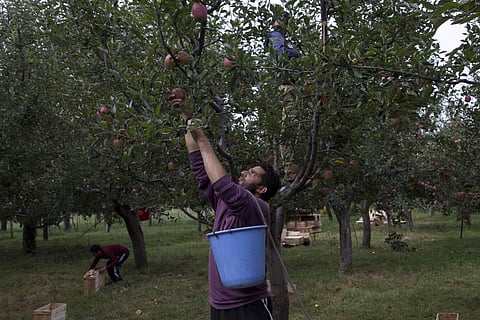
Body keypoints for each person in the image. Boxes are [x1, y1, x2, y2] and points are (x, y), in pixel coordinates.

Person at [171, 95, 282, 320]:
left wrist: (203, 139)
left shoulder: (257, 207)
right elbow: (200, 167)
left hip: (249, 306)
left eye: (252, 173)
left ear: (262, 189)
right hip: (219, 304)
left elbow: (223, 186)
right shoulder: (226, 202)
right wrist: (186, 118)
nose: (243, 172)